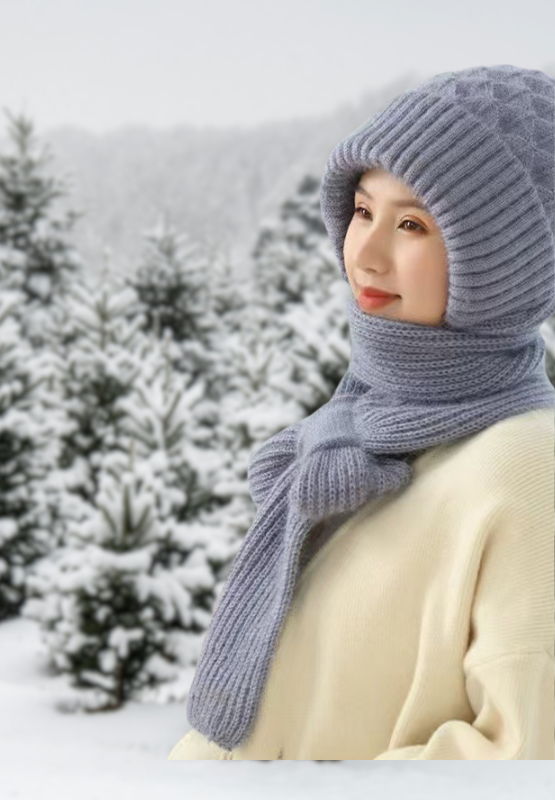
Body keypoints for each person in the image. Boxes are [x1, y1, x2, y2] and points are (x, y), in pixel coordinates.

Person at [168, 64, 555, 760]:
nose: (366, 253)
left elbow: (525, 760)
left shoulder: (525, 466)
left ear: (503, 264)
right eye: (364, 211)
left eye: (412, 224)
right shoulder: (360, 426)